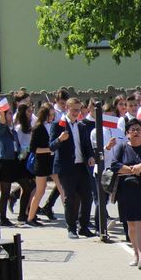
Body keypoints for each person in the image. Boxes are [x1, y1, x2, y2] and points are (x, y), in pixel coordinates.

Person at [111, 119, 141, 268]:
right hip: (125, 191)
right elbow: (115, 165)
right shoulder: (122, 147)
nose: (136, 132)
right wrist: (132, 169)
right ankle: (136, 254)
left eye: (138, 129)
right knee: (131, 224)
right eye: (132, 130)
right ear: (127, 133)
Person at [50, 97, 96, 239]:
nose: (77, 112)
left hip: (81, 166)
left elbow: (87, 145)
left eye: (79, 109)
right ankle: (71, 228)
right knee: (70, 198)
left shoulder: (81, 126)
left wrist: (90, 156)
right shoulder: (58, 124)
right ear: (67, 109)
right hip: (66, 167)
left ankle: (84, 227)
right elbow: (51, 146)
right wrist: (60, 139)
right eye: (74, 110)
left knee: (87, 197)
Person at [0, 101, 34, 226]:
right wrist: (2, 112)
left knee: (27, 187)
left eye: (12, 113)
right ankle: (2, 218)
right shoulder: (1, 128)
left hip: (16, 161)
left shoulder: (13, 130)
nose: (12, 116)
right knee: (5, 192)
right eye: (9, 113)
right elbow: (2, 122)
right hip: (5, 162)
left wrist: (23, 152)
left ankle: (22, 215)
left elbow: (17, 146)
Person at [24, 103, 57, 226]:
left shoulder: (52, 126)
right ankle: (30, 218)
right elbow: (34, 149)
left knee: (61, 187)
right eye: (50, 115)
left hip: (51, 162)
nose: (52, 117)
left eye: (53, 115)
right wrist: (50, 149)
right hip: (41, 163)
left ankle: (73, 219)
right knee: (40, 191)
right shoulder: (38, 128)